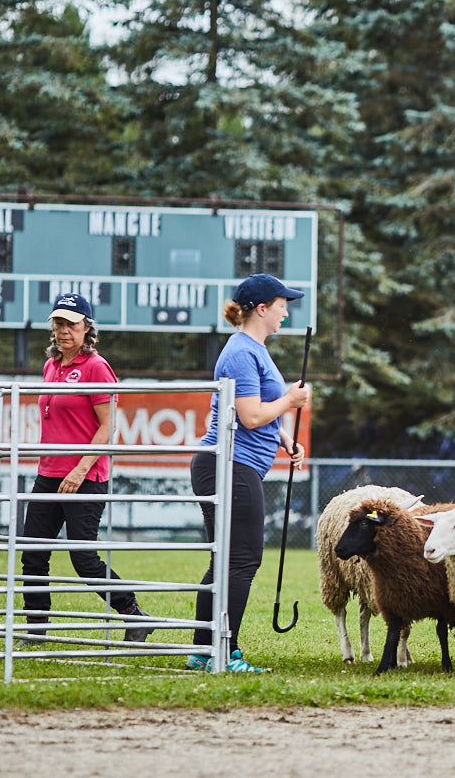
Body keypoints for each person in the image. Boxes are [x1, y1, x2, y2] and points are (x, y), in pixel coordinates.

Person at [186, 274, 309, 673]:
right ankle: (226, 650)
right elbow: (251, 416)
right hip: (229, 466)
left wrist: (285, 440)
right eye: (281, 304)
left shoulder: (253, 349)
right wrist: (290, 400)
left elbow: (255, 415)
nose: (286, 311)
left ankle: (204, 651)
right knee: (242, 559)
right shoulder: (242, 351)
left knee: (225, 560)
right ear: (261, 309)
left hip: (234, 464)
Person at [21, 292, 153, 642]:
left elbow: (109, 426)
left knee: (83, 558)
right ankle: (36, 628)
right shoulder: (51, 366)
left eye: (72, 324)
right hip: (48, 473)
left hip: (85, 476)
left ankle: (134, 614)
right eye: (59, 324)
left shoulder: (96, 367)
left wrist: (80, 469)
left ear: (86, 328)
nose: (64, 331)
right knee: (33, 554)